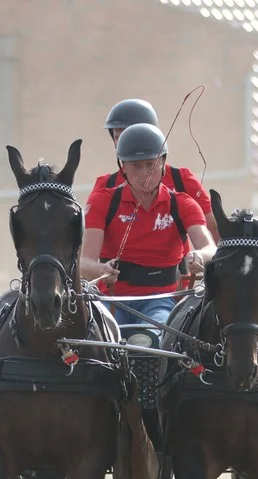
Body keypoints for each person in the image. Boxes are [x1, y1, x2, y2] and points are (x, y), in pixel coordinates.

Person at [81, 123, 217, 329]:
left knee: (154, 336)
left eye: (151, 164)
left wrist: (199, 256)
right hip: (111, 301)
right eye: (136, 166)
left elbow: (211, 248)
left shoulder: (183, 204)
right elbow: (84, 262)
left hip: (163, 300)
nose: (144, 173)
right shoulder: (103, 202)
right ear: (122, 167)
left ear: (163, 164)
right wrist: (101, 269)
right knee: (105, 340)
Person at [92, 99, 221, 288]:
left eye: (130, 133)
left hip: (170, 284)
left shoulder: (181, 180)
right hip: (116, 289)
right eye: (118, 136)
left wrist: (211, 264)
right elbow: (88, 243)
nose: (127, 140)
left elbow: (213, 228)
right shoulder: (106, 187)